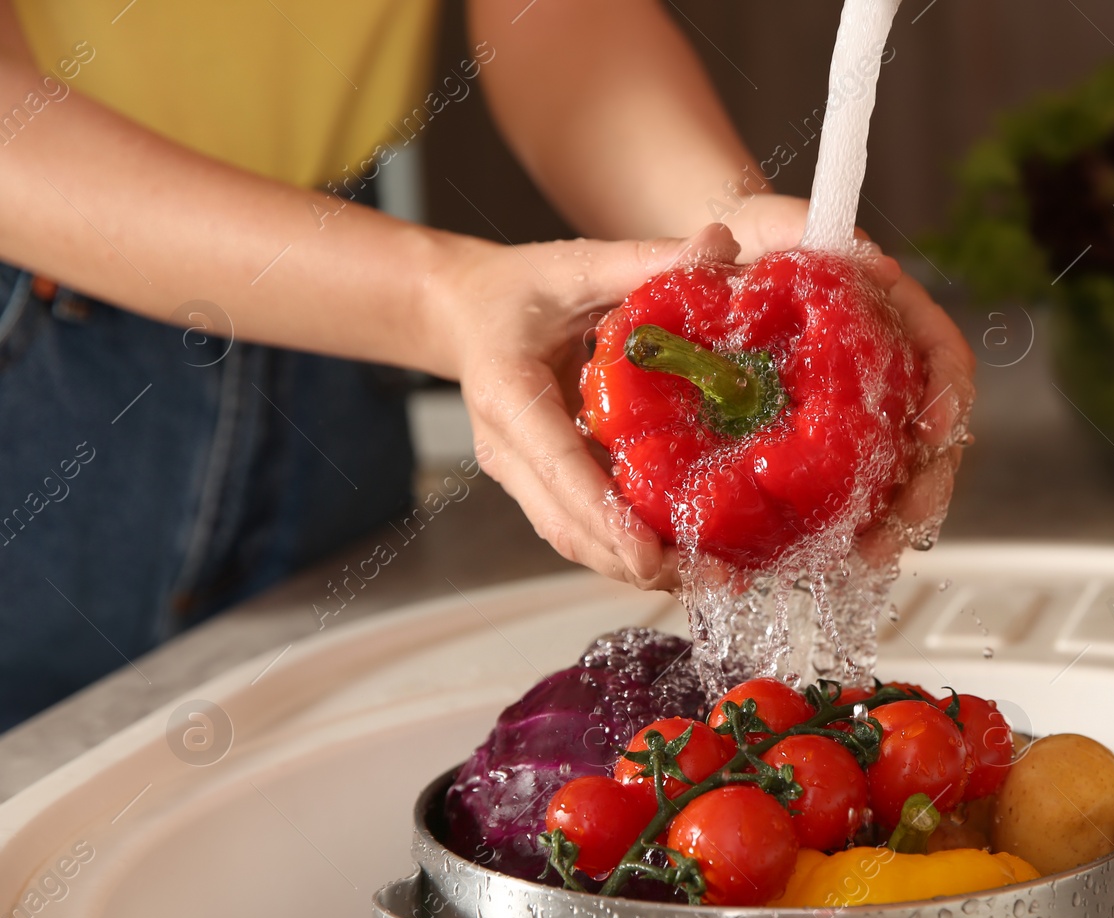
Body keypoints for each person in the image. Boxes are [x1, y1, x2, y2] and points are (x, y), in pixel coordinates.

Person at [0, 0, 974, 724]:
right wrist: (432, 298)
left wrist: (722, 238)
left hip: (336, 320)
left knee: (297, 811)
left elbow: (559, 18)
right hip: (38, 352)